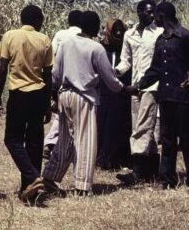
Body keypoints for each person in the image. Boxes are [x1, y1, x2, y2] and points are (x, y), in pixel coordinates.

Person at [41, 11, 126, 196]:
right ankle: (82, 185)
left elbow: (55, 74)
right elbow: (110, 78)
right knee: (85, 141)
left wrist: (53, 94)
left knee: (65, 140)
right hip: (85, 97)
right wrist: (124, 88)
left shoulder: (66, 44)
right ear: (94, 27)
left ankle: (49, 177)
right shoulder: (96, 48)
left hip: (65, 96)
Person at [134, 1, 189, 189]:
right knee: (167, 140)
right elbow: (156, 69)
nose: (154, 19)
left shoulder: (186, 37)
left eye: (156, 16)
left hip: (183, 96)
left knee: (188, 140)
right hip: (165, 96)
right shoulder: (161, 39)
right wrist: (139, 85)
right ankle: (167, 179)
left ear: (162, 15)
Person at [0, 5, 54, 202]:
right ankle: (31, 189)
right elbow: (48, 75)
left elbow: (3, 69)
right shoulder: (44, 39)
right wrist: (47, 103)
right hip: (38, 94)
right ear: (37, 20)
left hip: (18, 94)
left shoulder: (10, 36)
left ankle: (32, 178)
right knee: (35, 143)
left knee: (12, 139)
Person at [115, 0, 163, 183]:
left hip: (152, 85)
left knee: (144, 126)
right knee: (140, 126)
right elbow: (126, 60)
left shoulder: (158, 33)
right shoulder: (130, 34)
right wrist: (116, 72)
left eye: (154, 12)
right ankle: (151, 171)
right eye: (148, 12)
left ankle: (137, 171)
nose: (152, 16)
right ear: (139, 12)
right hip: (135, 86)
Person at [44, 10, 84, 158]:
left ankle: (51, 142)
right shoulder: (83, 35)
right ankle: (53, 142)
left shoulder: (61, 34)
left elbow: (52, 53)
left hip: (60, 74)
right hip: (77, 77)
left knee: (62, 108)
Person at [97, 18, 132, 169]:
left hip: (123, 91)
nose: (118, 32)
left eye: (120, 29)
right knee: (105, 124)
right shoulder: (102, 49)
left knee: (122, 125)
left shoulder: (125, 49)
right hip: (105, 92)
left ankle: (122, 158)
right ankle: (105, 158)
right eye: (115, 29)